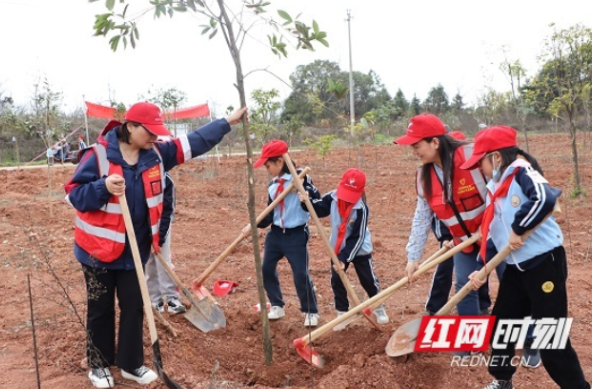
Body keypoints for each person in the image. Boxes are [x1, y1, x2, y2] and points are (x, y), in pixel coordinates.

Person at [65, 101, 246, 388]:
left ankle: (130, 363)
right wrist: (102, 187)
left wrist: (227, 122)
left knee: (135, 305)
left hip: (135, 251)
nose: (154, 138)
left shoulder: (158, 155)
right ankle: (98, 365)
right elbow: (75, 196)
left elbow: (195, 141)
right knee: (100, 308)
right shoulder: (98, 156)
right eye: (149, 132)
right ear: (130, 127)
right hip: (97, 251)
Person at [462, 126, 590, 389]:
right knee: (501, 327)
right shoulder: (496, 184)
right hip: (516, 268)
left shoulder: (522, 172)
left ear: (496, 157)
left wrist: (519, 228)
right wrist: (482, 267)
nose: (479, 169)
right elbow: (492, 230)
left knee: (549, 337)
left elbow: (545, 198)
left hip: (545, 264)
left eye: (481, 162)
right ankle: (503, 380)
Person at [394, 114, 489, 347]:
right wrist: (413, 257)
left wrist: (496, 229)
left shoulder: (472, 157)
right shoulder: (423, 176)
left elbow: (499, 191)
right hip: (463, 242)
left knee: (514, 285)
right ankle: (470, 345)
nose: (414, 151)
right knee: (464, 288)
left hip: (493, 235)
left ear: (435, 142)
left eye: (417, 145)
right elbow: (422, 217)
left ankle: (528, 341)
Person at [299, 168, 389, 330]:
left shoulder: (361, 209)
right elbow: (318, 209)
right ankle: (342, 312)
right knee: (337, 280)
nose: (346, 198)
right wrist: (306, 201)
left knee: (368, 280)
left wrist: (344, 258)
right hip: (338, 247)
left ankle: (378, 306)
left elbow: (357, 237)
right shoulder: (332, 198)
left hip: (359, 249)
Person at [244, 139, 321, 327]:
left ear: (280, 162)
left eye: (268, 165)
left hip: (296, 235)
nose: (266, 169)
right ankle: (277, 304)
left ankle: (310, 311)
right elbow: (270, 214)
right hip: (276, 234)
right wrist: (254, 225)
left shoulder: (300, 178)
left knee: (300, 274)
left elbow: (316, 198)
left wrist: (304, 192)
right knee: (266, 268)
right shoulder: (273, 185)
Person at [145, 172, 186, 315]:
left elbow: (167, 212)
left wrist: (159, 239)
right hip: (141, 227)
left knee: (164, 261)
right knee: (148, 263)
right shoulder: (135, 177)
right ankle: (155, 300)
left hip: (161, 225)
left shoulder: (166, 180)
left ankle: (172, 299)